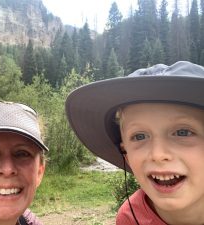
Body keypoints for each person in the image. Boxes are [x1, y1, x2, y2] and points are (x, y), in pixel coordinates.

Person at [65, 61, 204, 225]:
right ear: (127, 156)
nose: (158, 155)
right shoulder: (130, 218)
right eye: (139, 136)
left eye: (183, 132)